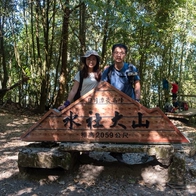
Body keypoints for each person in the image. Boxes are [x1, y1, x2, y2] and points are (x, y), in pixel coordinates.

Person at [101, 43, 141, 162]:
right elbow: (102, 86)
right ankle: (115, 152)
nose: (119, 55)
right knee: (114, 125)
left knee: (126, 126)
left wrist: (137, 100)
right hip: (113, 104)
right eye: (116, 52)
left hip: (129, 102)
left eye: (121, 52)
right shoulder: (108, 70)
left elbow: (137, 83)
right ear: (113, 54)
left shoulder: (130, 68)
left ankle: (122, 152)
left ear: (125, 55)